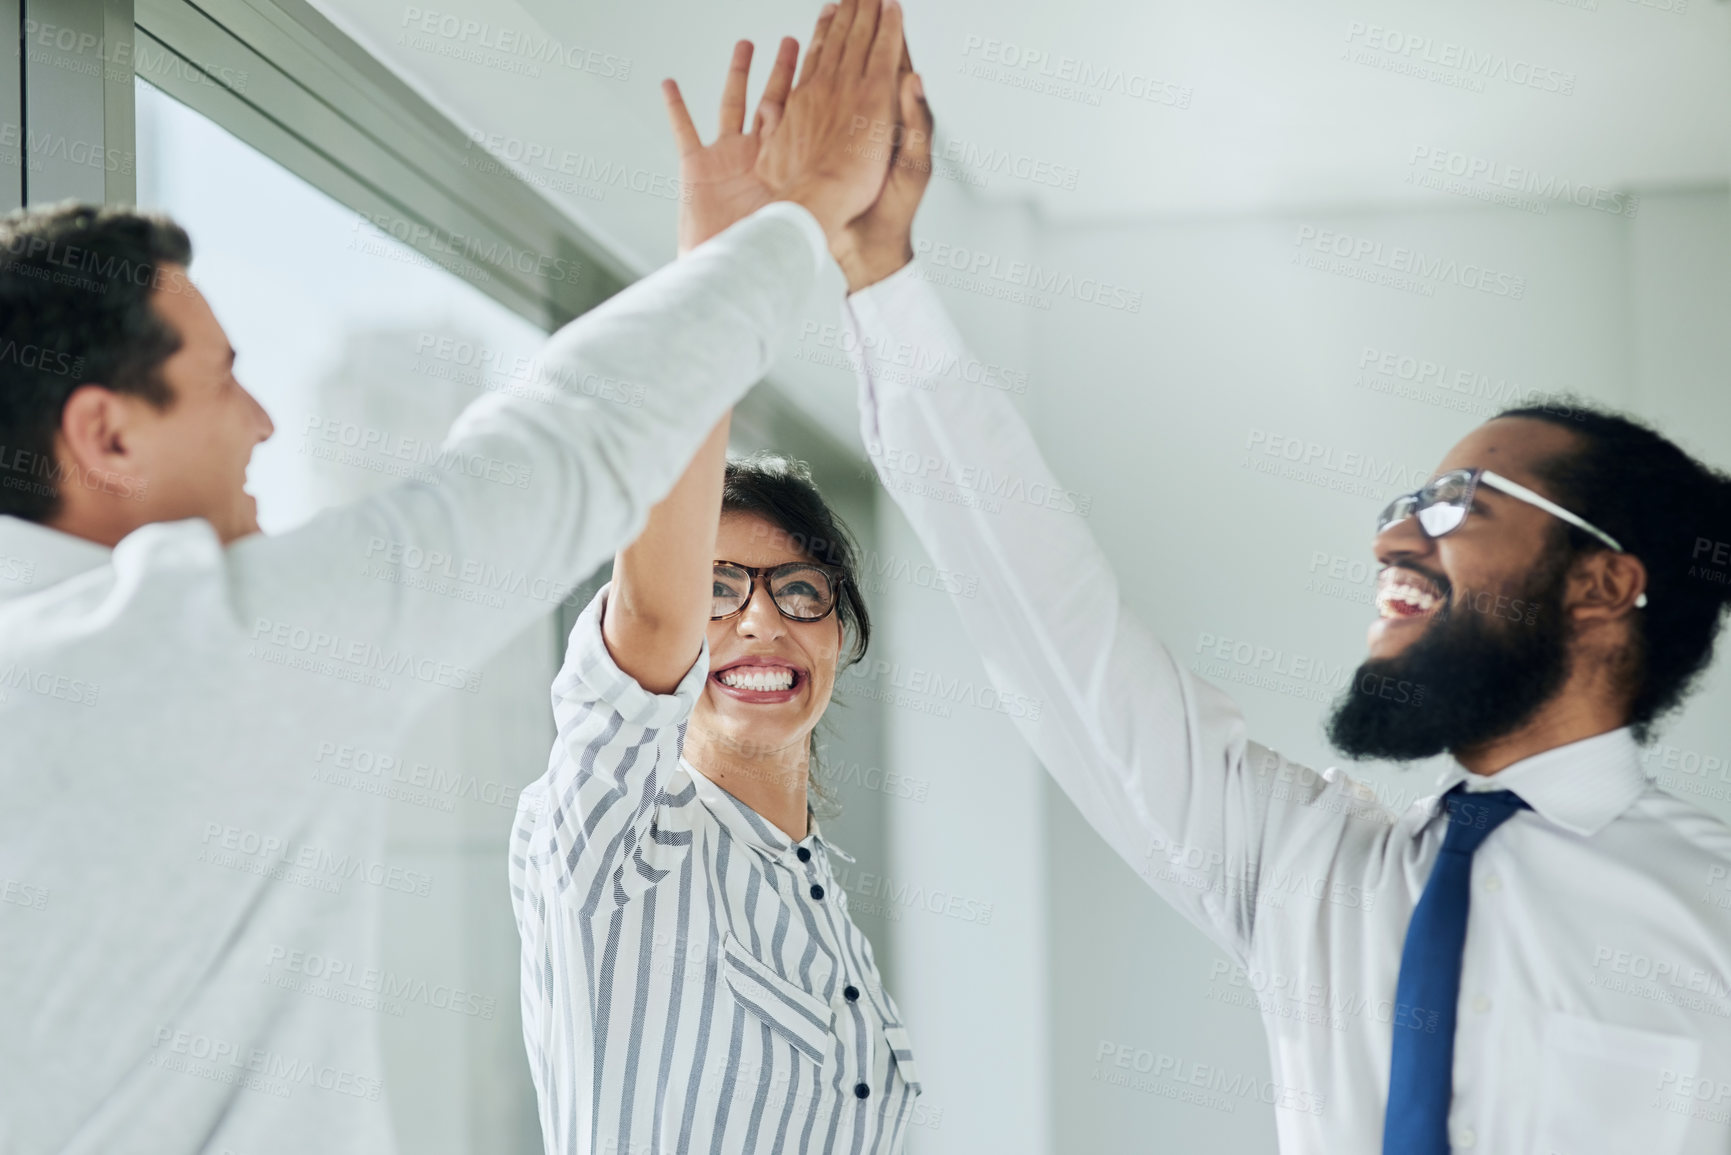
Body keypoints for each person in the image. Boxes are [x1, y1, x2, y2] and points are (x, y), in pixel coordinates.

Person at [0, 5, 901, 1145]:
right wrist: (794, 219)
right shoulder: (185, 652)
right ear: (108, 437)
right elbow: (559, 450)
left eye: (800, 591)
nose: (265, 422)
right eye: (226, 379)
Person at [824, 64, 1731, 1154]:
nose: (1394, 536)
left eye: (1455, 504)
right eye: (1404, 503)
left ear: (1603, 584)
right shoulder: (1311, 870)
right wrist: (879, 279)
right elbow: (1063, 637)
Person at [509, 11, 924, 1153]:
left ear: (841, 630)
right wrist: (724, 268)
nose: (761, 618)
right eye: (721, 582)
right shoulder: (611, 839)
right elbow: (648, 609)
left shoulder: (812, 890)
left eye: (802, 591)